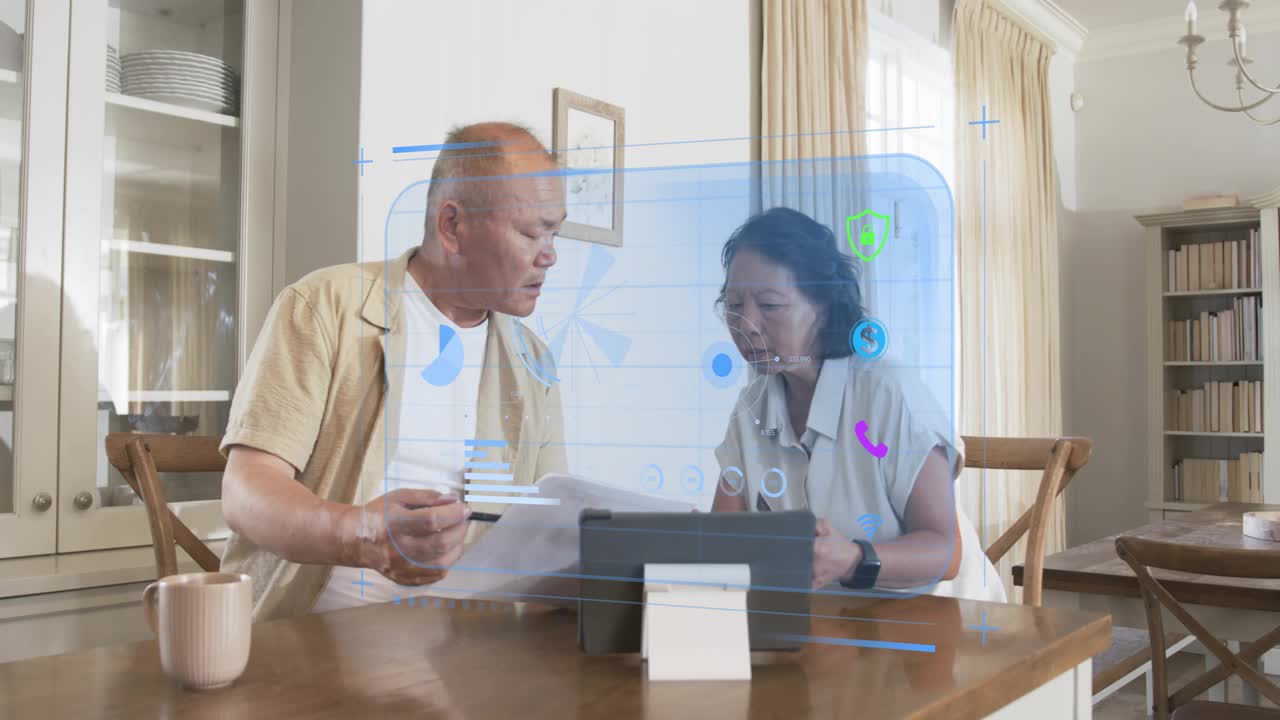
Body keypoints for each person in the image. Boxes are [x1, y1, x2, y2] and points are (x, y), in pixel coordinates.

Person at [219, 122, 568, 620]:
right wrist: (359, 534)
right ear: (452, 226)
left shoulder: (534, 363)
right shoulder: (326, 306)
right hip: (308, 644)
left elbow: (548, 523)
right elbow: (245, 490)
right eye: (531, 231)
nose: (550, 254)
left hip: (465, 660)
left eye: (555, 231)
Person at [710, 207, 1004, 602]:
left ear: (823, 306)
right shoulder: (752, 407)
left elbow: (945, 551)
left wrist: (852, 559)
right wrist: (697, 546)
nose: (745, 323)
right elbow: (723, 536)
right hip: (842, 627)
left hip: (946, 626)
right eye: (733, 305)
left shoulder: (887, 390)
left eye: (769, 305)